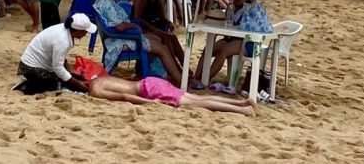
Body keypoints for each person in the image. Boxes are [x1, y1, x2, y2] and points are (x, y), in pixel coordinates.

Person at [93, 0, 183, 84]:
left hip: (117, 37)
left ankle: (146, 71)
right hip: (123, 39)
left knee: (157, 40)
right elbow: (120, 26)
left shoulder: (99, 2)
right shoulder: (107, 4)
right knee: (162, 48)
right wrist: (134, 26)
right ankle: (178, 80)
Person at [191, 0, 261, 90]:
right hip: (231, 38)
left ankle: (205, 79)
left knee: (223, 51)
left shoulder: (249, 10)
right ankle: (196, 77)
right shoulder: (231, 8)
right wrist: (229, 10)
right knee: (208, 50)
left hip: (247, 42)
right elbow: (227, 23)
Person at [88, 76, 256, 117]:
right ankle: (241, 102)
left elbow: (125, 96)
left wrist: (150, 102)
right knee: (197, 98)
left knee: (198, 103)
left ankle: (244, 110)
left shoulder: (95, 90)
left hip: (148, 90)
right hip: (150, 81)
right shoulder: (100, 78)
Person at [17, 13, 97, 94]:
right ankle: (26, 86)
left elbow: (61, 58)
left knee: (72, 78)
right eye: (85, 32)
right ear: (78, 30)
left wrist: (71, 74)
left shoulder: (64, 30)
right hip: (30, 68)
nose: (85, 34)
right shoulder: (62, 40)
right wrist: (78, 83)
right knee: (61, 83)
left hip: (42, 64)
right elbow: (57, 67)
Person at [132, 0, 185, 67]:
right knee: (166, 38)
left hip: (155, 27)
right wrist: (152, 29)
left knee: (173, 38)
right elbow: (136, 18)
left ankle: (185, 66)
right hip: (142, 28)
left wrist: (168, 22)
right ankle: (174, 65)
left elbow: (162, 17)